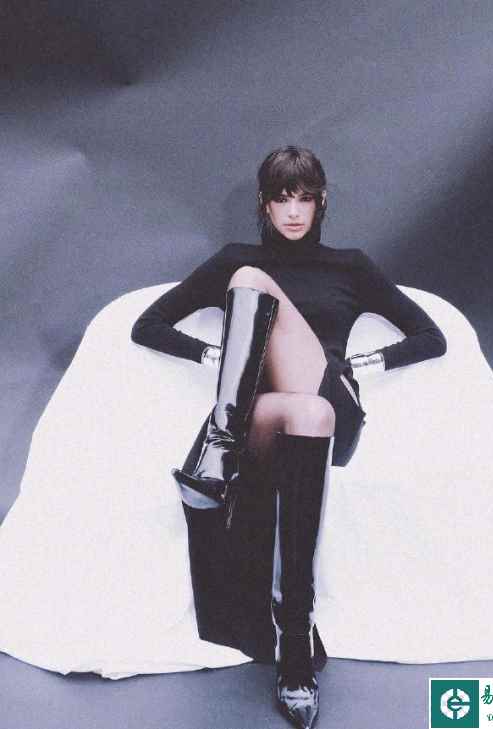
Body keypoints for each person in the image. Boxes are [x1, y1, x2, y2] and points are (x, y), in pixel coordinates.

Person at [130, 145, 447, 729]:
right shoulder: (234, 258)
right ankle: (293, 644)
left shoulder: (349, 266)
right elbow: (146, 325)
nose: (294, 211)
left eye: (305, 198)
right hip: (268, 417)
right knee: (298, 394)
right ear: (264, 204)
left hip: (332, 406)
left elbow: (432, 337)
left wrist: (358, 365)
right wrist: (214, 353)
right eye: (281, 198)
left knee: (293, 360)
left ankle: (216, 454)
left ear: (322, 202)